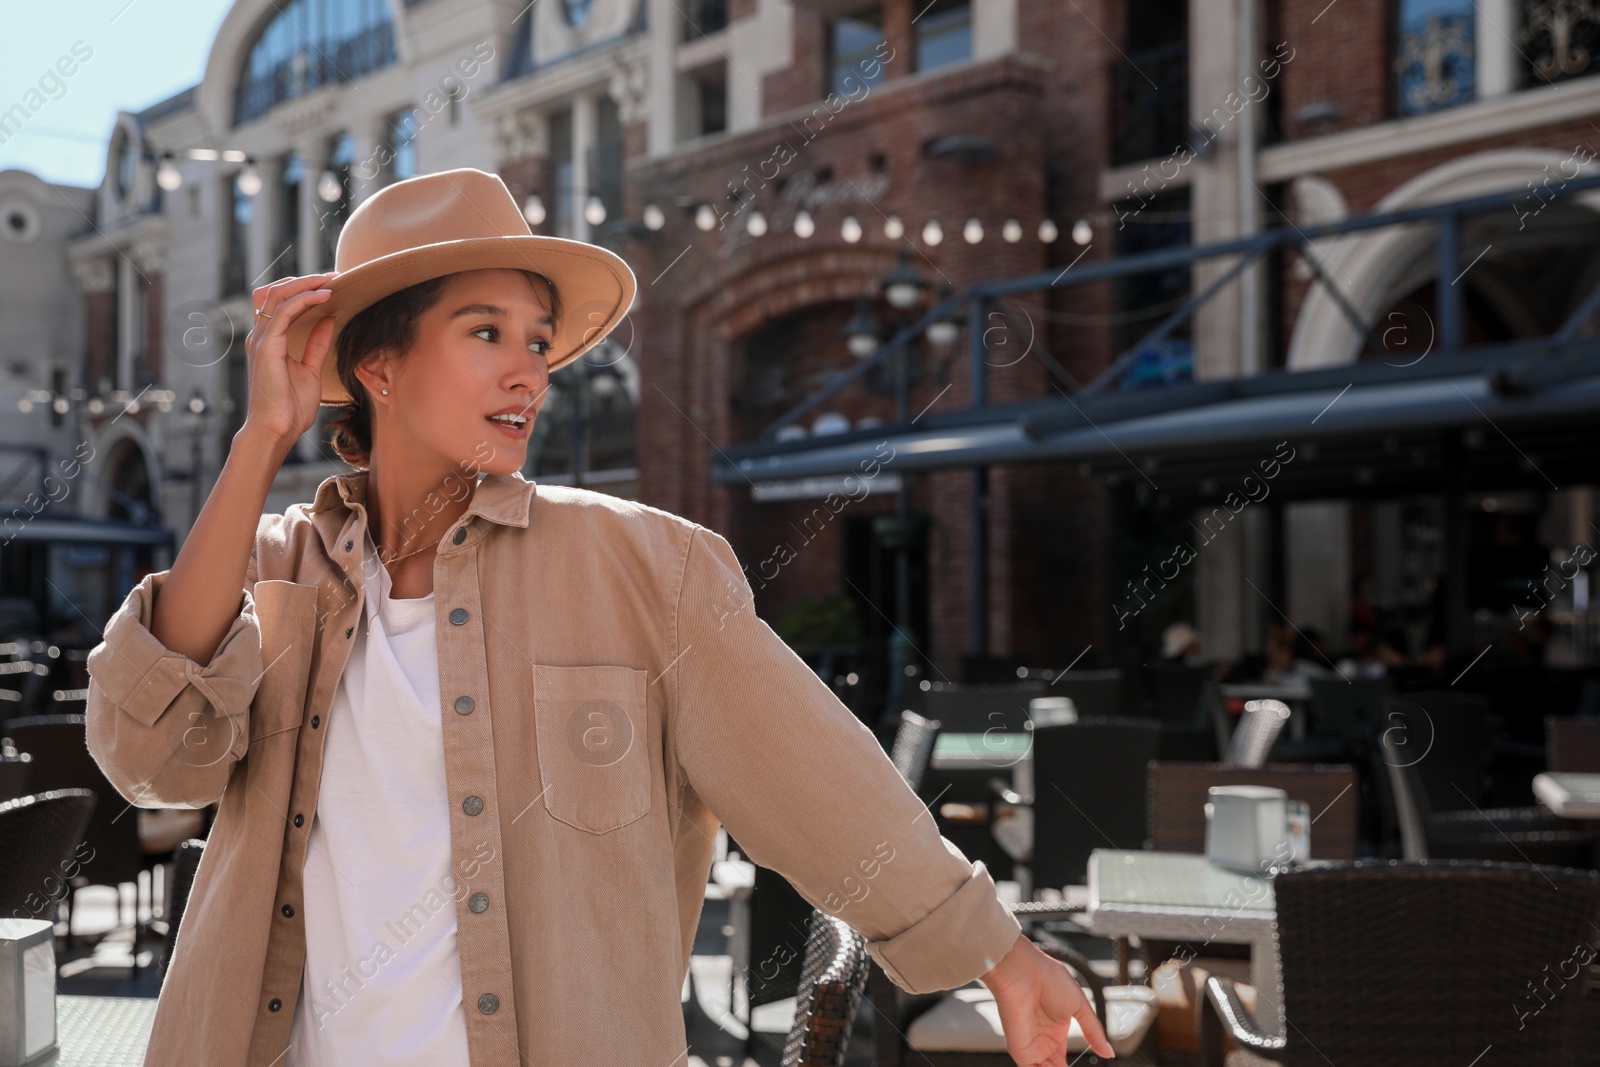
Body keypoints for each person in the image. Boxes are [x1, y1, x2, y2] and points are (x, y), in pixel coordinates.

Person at [82, 169, 1112, 1067]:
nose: (529, 370)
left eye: (536, 340)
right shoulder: (276, 571)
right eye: (485, 332)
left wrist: (1000, 951)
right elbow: (148, 755)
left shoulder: (646, 568)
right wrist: (263, 435)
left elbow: (815, 775)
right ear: (378, 366)